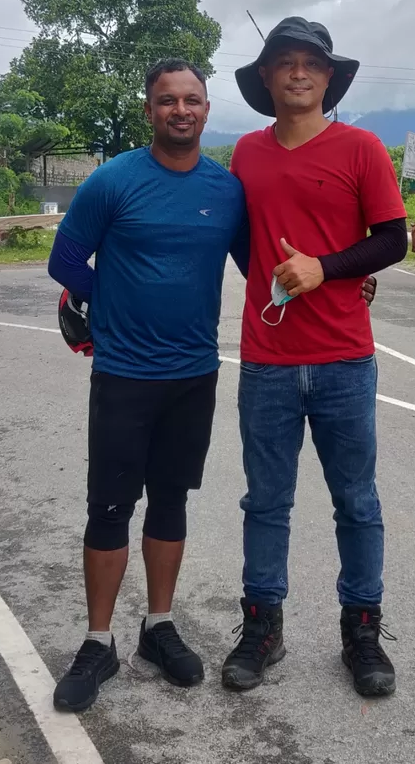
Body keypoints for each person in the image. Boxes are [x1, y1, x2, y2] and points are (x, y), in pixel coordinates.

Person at [46, 56, 378, 712]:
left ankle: (158, 629)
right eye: (167, 100)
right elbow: (65, 260)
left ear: (206, 110)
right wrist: (110, 311)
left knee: (170, 504)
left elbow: (261, 268)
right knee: (110, 507)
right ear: (150, 111)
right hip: (123, 373)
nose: (180, 110)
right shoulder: (113, 182)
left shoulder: (226, 192)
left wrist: (342, 275)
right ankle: (97, 641)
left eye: (192, 100)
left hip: (193, 374)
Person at [219, 17, 409, 698]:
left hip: (344, 360)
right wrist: (273, 274)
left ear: (328, 78)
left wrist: (326, 269)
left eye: (311, 63)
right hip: (267, 359)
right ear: (266, 77)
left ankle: (361, 630)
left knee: (356, 501)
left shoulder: (362, 148)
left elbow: (393, 240)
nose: (298, 72)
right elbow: (241, 239)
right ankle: (261, 628)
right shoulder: (245, 153)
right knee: (265, 502)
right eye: (285, 62)